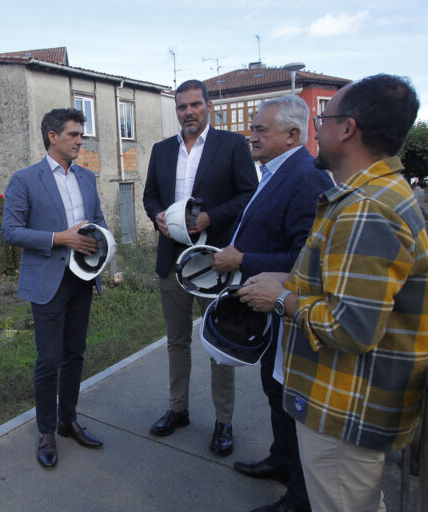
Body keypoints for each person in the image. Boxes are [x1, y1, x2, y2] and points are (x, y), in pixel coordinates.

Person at [236, 74, 427, 512]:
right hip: (347, 403)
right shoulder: (371, 196)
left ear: (348, 129)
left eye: (323, 117)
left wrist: (281, 299)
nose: (315, 129)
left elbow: (351, 327)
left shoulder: (366, 209)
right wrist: (289, 281)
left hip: (347, 408)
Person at [211, 95, 333, 512]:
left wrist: (241, 259)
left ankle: (298, 498)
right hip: (269, 311)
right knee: (274, 388)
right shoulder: (276, 171)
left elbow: (306, 258)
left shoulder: (305, 177)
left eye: (261, 130)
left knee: (290, 397)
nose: (252, 136)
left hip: (289, 310)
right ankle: (282, 462)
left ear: (292, 134)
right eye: (253, 128)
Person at [142, 80, 257, 455]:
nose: (188, 112)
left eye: (194, 105)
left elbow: (247, 195)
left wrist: (211, 217)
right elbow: (149, 196)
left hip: (214, 261)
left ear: (208, 105)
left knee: (219, 342)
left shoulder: (232, 145)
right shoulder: (161, 150)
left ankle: (224, 420)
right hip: (172, 259)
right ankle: (179, 410)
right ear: (175, 110)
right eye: (181, 107)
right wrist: (157, 215)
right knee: (177, 341)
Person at [1, 108, 108, 470]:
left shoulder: (88, 178)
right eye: (74, 134)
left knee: (75, 354)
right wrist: (61, 238)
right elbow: (10, 231)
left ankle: (67, 420)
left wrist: (100, 245)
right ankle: (46, 431)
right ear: (52, 136)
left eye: (82, 134)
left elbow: (99, 222)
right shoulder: (25, 180)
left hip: (82, 279)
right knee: (49, 360)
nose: (80, 140)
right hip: (47, 281)